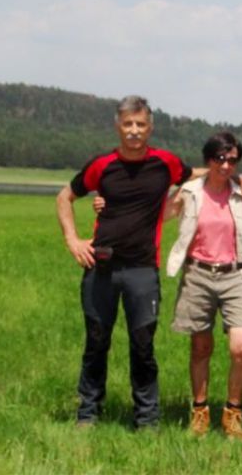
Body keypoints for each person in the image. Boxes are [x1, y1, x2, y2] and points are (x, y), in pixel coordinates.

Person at [56, 95, 193, 430]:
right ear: (118, 126)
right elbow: (65, 197)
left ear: (150, 127)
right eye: (128, 124)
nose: (134, 131)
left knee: (143, 345)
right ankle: (88, 412)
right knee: (96, 341)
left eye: (141, 124)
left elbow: (197, 175)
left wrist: (239, 176)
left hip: (143, 270)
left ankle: (146, 417)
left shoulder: (166, 163)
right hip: (101, 268)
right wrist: (73, 240)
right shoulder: (101, 165)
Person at [164, 132, 242, 439]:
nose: (226, 165)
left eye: (232, 159)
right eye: (219, 158)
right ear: (207, 160)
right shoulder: (189, 192)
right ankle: (200, 411)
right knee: (201, 347)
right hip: (198, 275)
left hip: (235, 275)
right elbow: (158, 214)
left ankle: (232, 413)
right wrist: (104, 205)